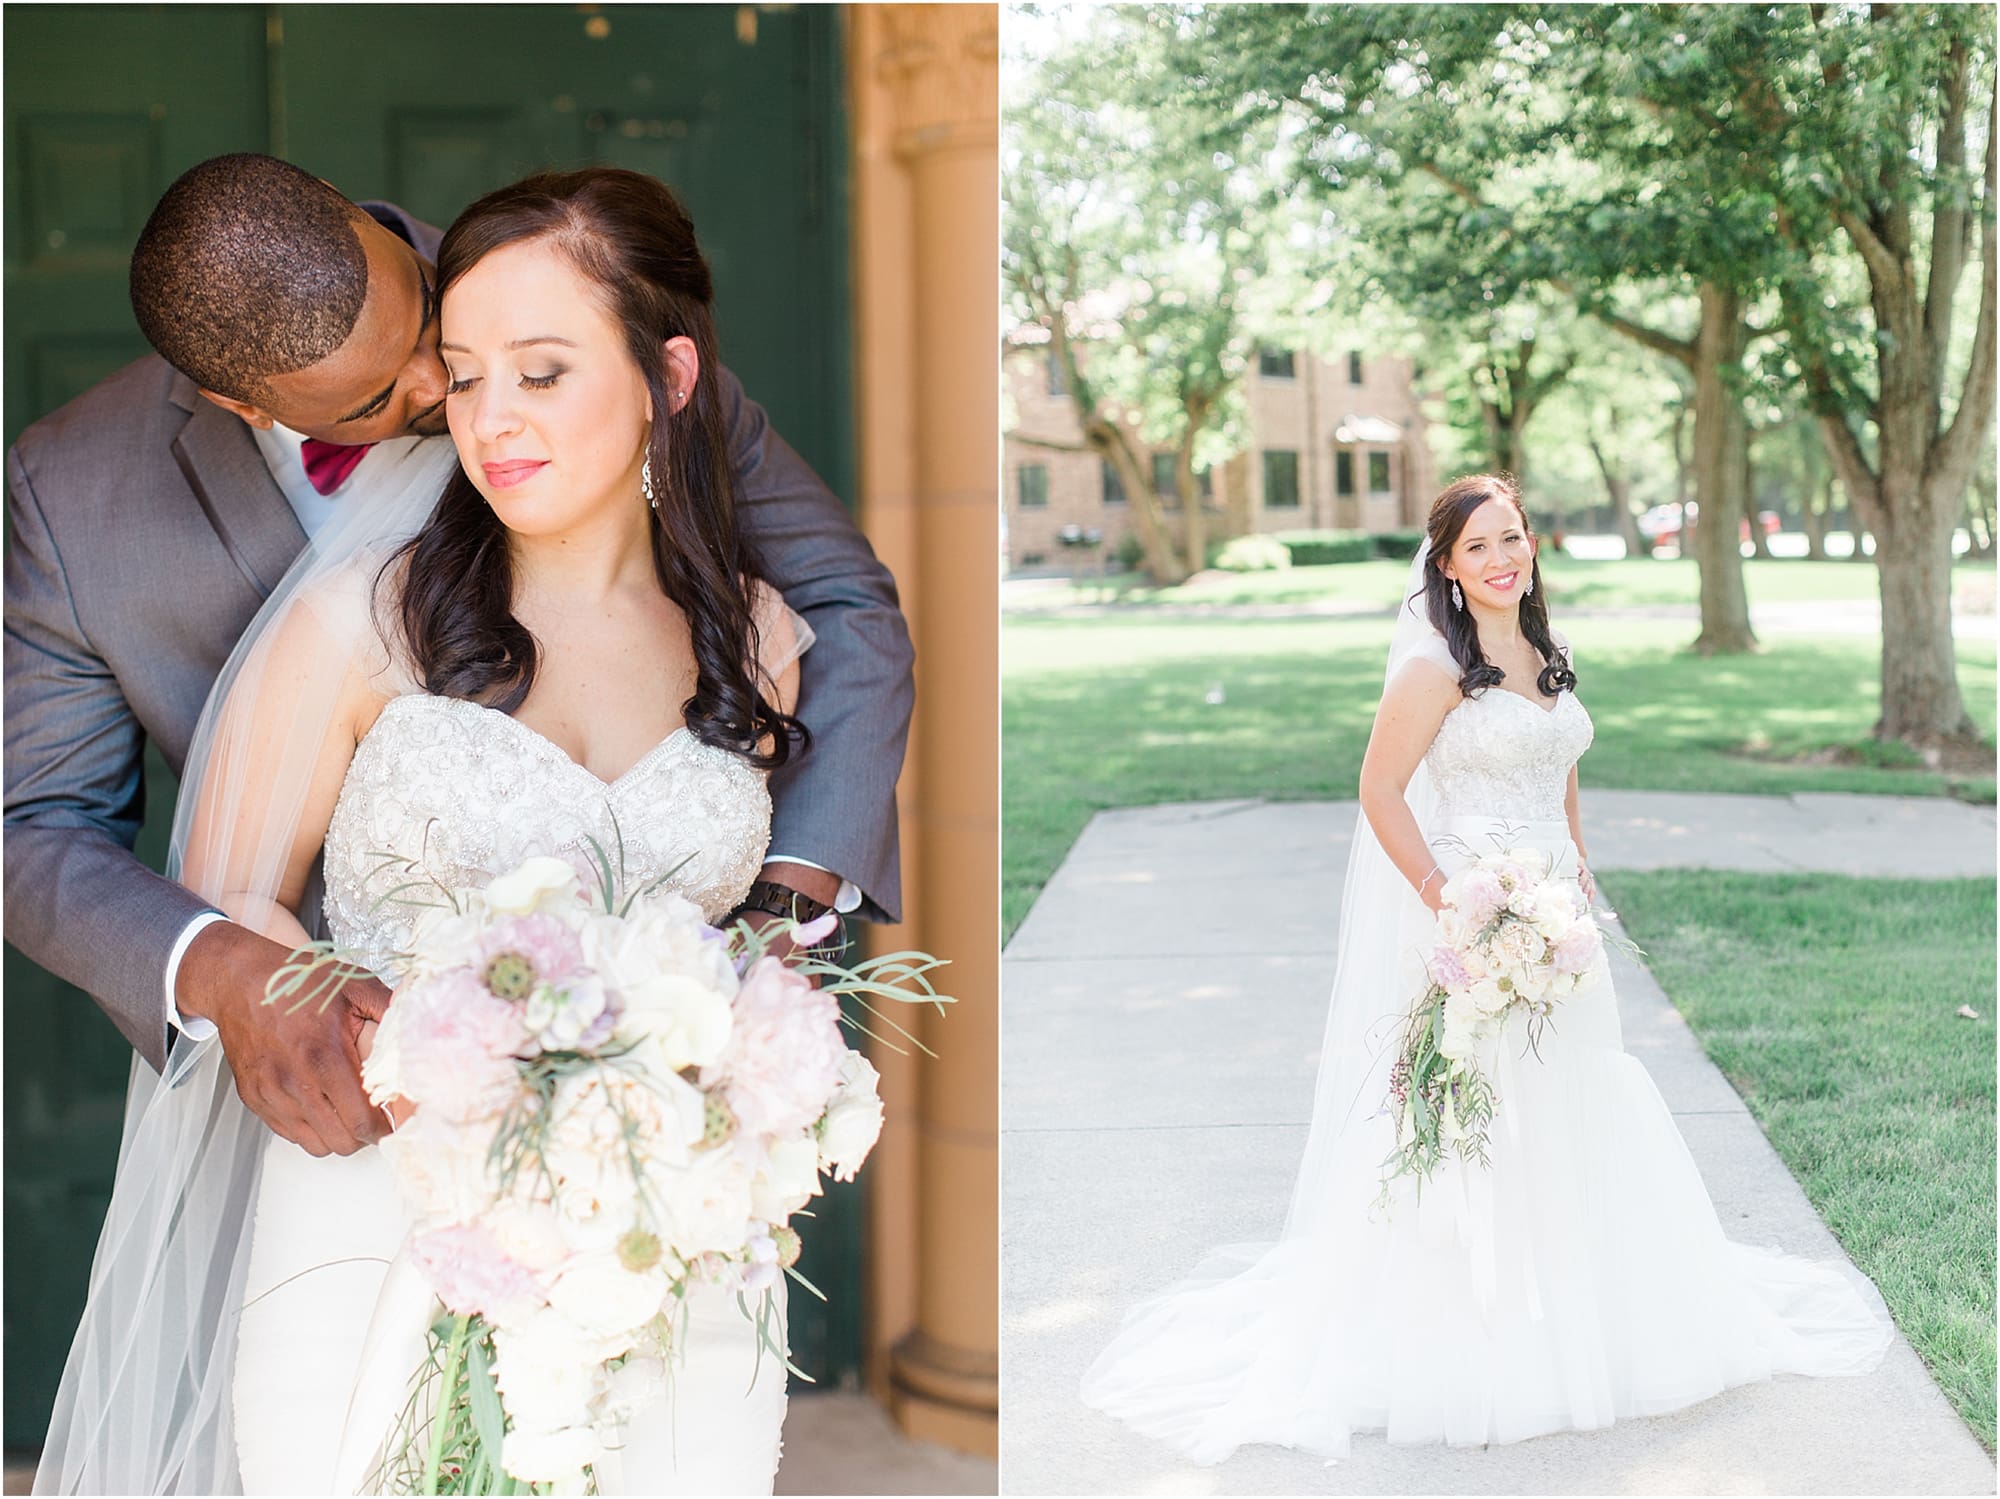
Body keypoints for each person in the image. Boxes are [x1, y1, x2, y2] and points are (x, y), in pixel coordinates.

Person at [23, 159, 909, 1495]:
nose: (457, 404)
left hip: (662, 1203)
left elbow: (849, 617)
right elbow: (29, 824)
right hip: (364, 1145)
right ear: (239, 405)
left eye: (435, 335)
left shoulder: (562, 306)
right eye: (404, 392)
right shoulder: (80, 499)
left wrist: (779, 933)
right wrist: (225, 965)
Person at [1079, 475, 1893, 1465]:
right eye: (1478, 548)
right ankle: (1477, 1330)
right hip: (1478, 914)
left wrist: (1579, 876)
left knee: (1574, 1094)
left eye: (1511, 538)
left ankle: (1582, 1310)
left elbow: (1559, 770)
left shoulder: (1542, 650)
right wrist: (1444, 896)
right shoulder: (1434, 667)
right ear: (1449, 567)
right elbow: (1378, 787)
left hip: (1559, 918)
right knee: (1481, 1111)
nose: (1502, 558)